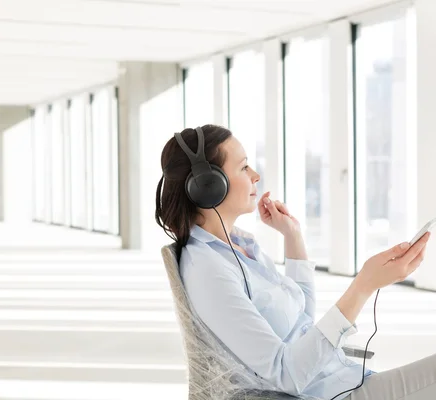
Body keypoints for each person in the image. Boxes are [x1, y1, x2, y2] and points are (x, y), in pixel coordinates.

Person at [155, 124, 433, 400]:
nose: (255, 175)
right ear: (209, 185)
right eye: (243, 168)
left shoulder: (241, 247)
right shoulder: (209, 270)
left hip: (343, 380)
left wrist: (293, 235)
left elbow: (302, 323)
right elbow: (286, 374)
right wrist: (363, 287)